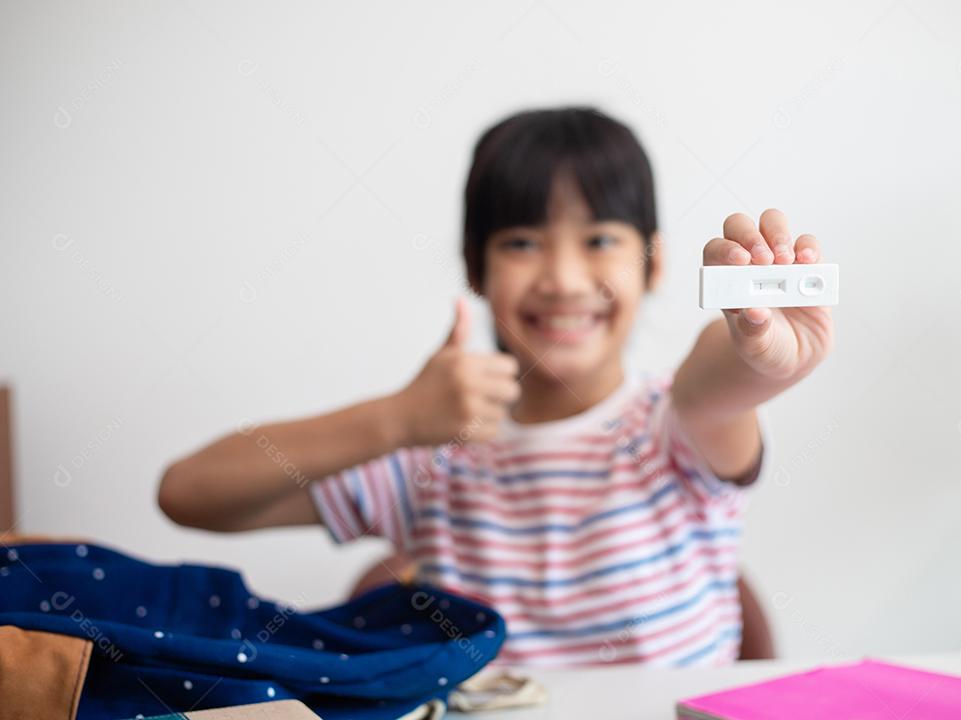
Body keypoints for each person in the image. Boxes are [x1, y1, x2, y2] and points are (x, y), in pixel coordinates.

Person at [159, 107, 834, 666]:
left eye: (599, 239)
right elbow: (188, 493)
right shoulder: (431, 446)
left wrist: (757, 348)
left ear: (653, 263)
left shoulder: (671, 425)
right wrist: (395, 420)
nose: (565, 279)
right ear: (474, 268)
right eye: (521, 243)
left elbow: (714, 383)